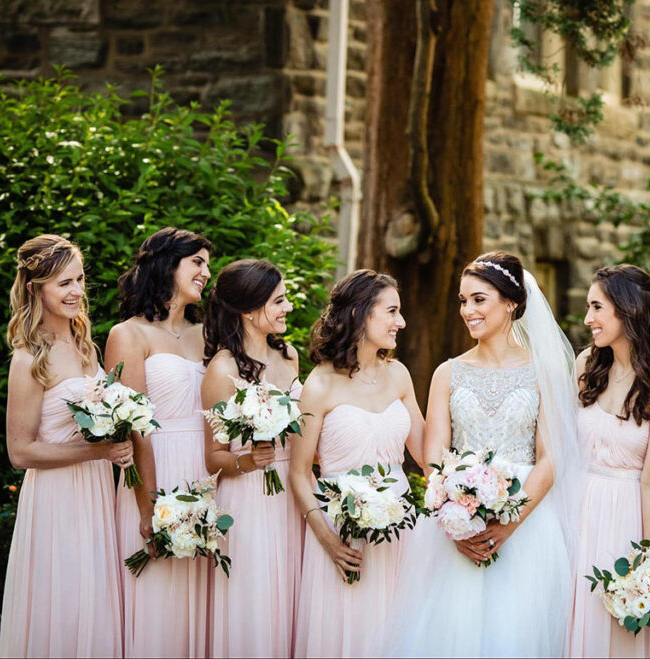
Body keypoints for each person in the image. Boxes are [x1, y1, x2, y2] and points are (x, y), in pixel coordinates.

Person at [389, 251, 582, 657]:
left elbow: (550, 457)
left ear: (510, 302)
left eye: (479, 299)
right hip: (458, 524)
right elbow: (435, 457)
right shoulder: (447, 372)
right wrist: (457, 520)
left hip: (527, 523)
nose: (468, 310)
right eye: (463, 301)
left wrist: (508, 524)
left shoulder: (543, 371)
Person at [0, 234, 130, 657]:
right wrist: (100, 451)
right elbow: (20, 452)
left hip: (96, 492)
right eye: (64, 283)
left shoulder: (85, 344)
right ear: (36, 288)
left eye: (79, 280)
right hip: (56, 500)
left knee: (95, 601)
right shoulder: (29, 358)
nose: (76, 291)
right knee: (65, 601)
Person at [291, 269, 425, 657]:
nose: (401, 322)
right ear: (359, 313)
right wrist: (328, 540)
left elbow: (425, 454)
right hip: (342, 533)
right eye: (392, 311)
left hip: (399, 529)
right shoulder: (319, 384)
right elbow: (299, 472)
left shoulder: (398, 374)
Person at [108, 227, 213, 657]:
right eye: (198, 262)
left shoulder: (207, 334)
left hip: (205, 475)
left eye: (208, 264)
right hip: (156, 469)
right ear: (168, 264)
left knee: (200, 601)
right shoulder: (128, 334)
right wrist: (147, 505)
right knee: (155, 600)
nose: (207, 273)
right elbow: (135, 429)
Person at [568, 265, 650, 658]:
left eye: (597, 307)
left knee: (610, 631)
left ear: (628, 309)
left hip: (624, 516)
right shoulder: (586, 364)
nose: (588, 319)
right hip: (576, 510)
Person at [202, 259, 302, 658]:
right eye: (279, 301)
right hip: (249, 498)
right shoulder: (223, 368)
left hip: (292, 493)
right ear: (248, 309)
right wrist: (249, 461)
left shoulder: (289, 355)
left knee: (291, 600)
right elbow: (213, 457)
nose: (288, 307)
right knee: (255, 606)